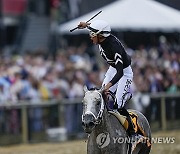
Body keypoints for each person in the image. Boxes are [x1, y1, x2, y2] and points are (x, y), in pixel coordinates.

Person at [78, 20, 144, 151]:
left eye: (93, 35)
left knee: (117, 105)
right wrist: (86, 25)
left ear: (100, 36)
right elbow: (97, 29)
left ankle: (133, 134)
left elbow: (120, 72)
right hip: (112, 69)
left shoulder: (114, 47)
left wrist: (108, 85)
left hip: (124, 73)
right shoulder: (101, 37)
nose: (91, 37)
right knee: (101, 98)